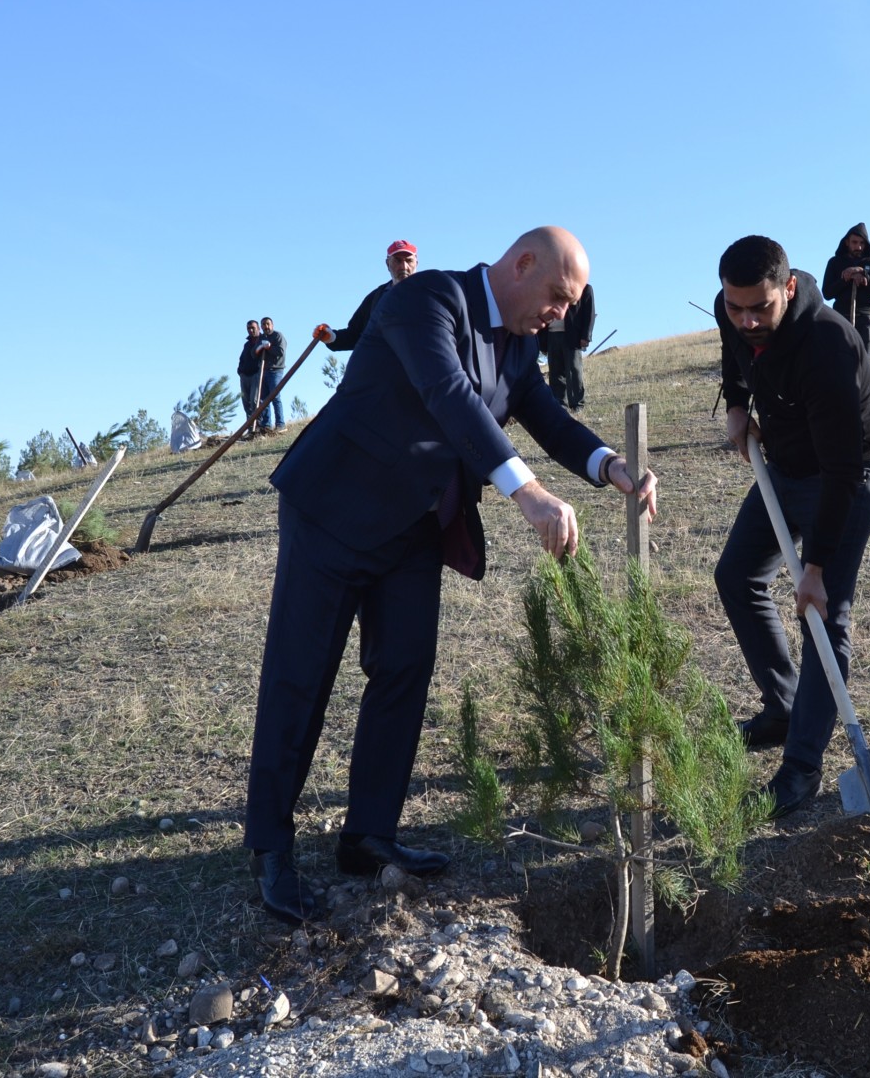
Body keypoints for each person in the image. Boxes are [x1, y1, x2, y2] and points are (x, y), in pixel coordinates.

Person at [242, 226, 657, 923]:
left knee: (403, 669)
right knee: (300, 674)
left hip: (411, 528)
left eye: (570, 303)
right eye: (557, 296)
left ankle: (370, 834)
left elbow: (550, 420)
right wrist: (525, 492)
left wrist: (611, 467)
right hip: (332, 512)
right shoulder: (428, 298)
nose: (560, 314)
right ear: (522, 264)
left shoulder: (521, 347)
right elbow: (448, 395)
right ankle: (270, 850)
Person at [713, 236, 870, 818]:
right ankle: (784, 705)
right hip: (786, 463)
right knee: (736, 574)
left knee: (823, 612)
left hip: (847, 472)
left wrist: (814, 567)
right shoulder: (735, 310)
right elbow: (734, 358)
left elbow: (843, 470)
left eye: (758, 309)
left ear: (788, 289)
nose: (745, 320)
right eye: (735, 307)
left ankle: (799, 768)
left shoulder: (828, 344)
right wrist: (738, 401)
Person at [315, 239, 419, 354]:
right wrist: (331, 337)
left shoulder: (429, 294)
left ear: (416, 263)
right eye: (397, 261)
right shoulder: (375, 298)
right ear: (388, 264)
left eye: (409, 261)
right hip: (383, 367)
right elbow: (355, 335)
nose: (403, 266)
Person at [820, 224, 870, 355]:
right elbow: (827, 293)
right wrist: (845, 279)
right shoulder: (835, 263)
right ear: (847, 242)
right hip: (840, 318)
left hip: (864, 319)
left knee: (865, 364)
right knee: (839, 363)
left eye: (862, 243)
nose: (858, 247)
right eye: (854, 242)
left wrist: (865, 276)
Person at [544, 282, 595, 409]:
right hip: (551, 334)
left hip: (572, 335)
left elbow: (590, 313)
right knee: (555, 372)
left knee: (573, 370)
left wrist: (585, 336)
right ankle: (559, 404)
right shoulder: (549, 287)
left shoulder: (584, 288)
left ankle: (577, 403)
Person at [255, 317, 287, 432]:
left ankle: (280, 424)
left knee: (275, 397)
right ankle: (266, 425)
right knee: (263, 399)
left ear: (272, 325)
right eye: (263, 324)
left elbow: (280, 352)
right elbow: (254, 354)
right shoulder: (261, 338)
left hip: (276, 370)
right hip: (264, 371)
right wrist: (259, 349)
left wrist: (269, 348)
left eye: (268, 324)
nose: (266, 326)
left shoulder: (278, 336)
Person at [237, 319, 265, 423]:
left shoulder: (263, 340)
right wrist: (240, 371)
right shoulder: (247, 344)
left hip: (256, 374)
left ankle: (258, 424)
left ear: (258, 328)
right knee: (245, 402)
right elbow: (242, 359)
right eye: (249, 328)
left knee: (255, 400)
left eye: (253, 328)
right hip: (244, 375)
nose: (251, 330)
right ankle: (249, 426)